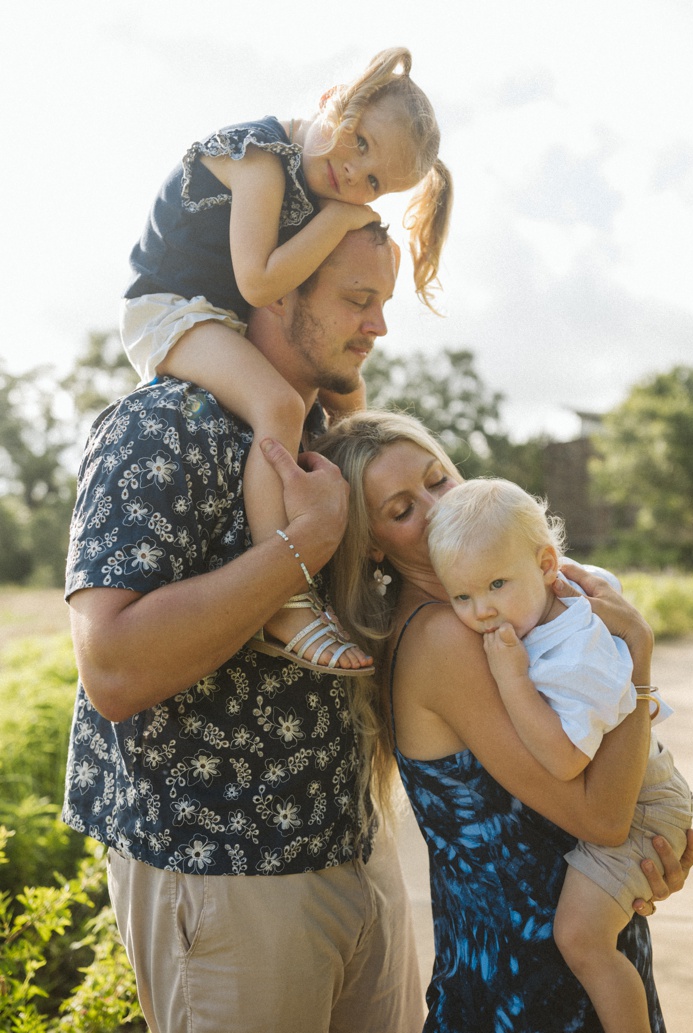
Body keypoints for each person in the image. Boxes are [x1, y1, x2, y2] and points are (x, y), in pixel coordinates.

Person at [64, 223, 425, 1032]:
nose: (379, 326)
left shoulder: (329, 436)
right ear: (276, 291)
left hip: (356, 851)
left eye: (384, 302)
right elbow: (113, 667)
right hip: (228, 880)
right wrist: (303, 549)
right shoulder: (162, 426)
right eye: (358, 300)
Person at [313, 411, 693, 1032]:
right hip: (533, 980)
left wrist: (653, 842)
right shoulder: (448, 637)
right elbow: (600, 818)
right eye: (402, 509)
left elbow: (609, 783)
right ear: (370, 542)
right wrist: (638, 661)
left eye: (439, 479)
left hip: (570, 937)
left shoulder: (487, 618)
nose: (439, 508)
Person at [121, 46, 454, 676]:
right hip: (168, 308)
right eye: (357, 143)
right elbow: (258, 283)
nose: (354, 176)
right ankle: (287, 594)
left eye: (376, 182)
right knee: (275, 403)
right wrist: (342, 219)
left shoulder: (317, 179)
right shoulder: (263, 158)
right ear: (333, 99)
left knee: (351, 404)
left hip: (218, 316)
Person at [425, 479, 693, 1033]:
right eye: (462, 596)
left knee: (580, 939)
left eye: (496, 585)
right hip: (640, 781)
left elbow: (567, 761)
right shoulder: (550, 595)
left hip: (641, 801)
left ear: (548, 564)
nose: (481, 610)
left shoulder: (575, 652)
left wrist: (513, 678)